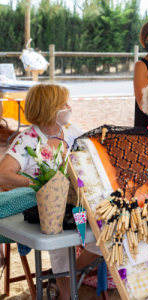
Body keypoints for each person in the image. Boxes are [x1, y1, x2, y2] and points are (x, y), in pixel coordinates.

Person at [0, 83, 102, 300]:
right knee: (60, 246)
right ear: (49, 108)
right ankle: (66, 293)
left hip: (78, 207)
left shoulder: (72, 132)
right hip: (49, 211)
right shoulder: (28, 139)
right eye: (63, 103)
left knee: (103, 237)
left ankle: (68, 275)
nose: (68, 107)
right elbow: (3, 175)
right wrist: (39, 184)